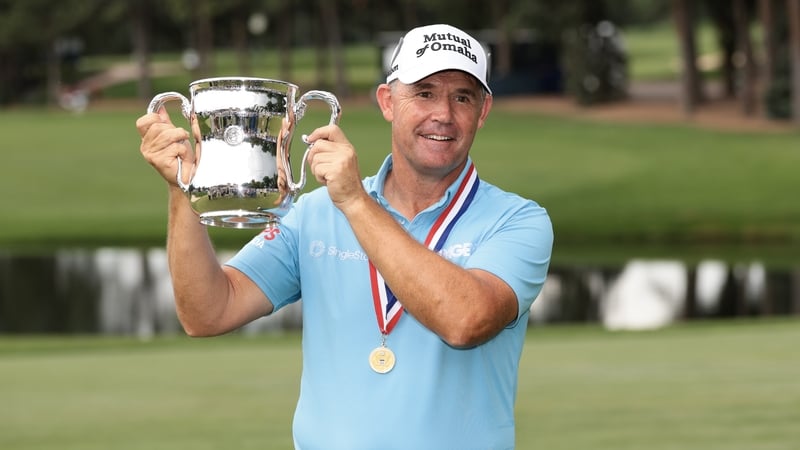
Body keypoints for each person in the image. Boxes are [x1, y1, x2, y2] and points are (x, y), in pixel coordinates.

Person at [136, 23, 553, 450]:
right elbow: (208, 312)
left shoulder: (517, 220)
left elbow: (466, 321)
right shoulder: (314, 214)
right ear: (388, 102)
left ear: (482, 111)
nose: (443, 113)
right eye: (424, 93)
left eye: (462, 96)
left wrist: (355, 202)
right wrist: (181, 189)